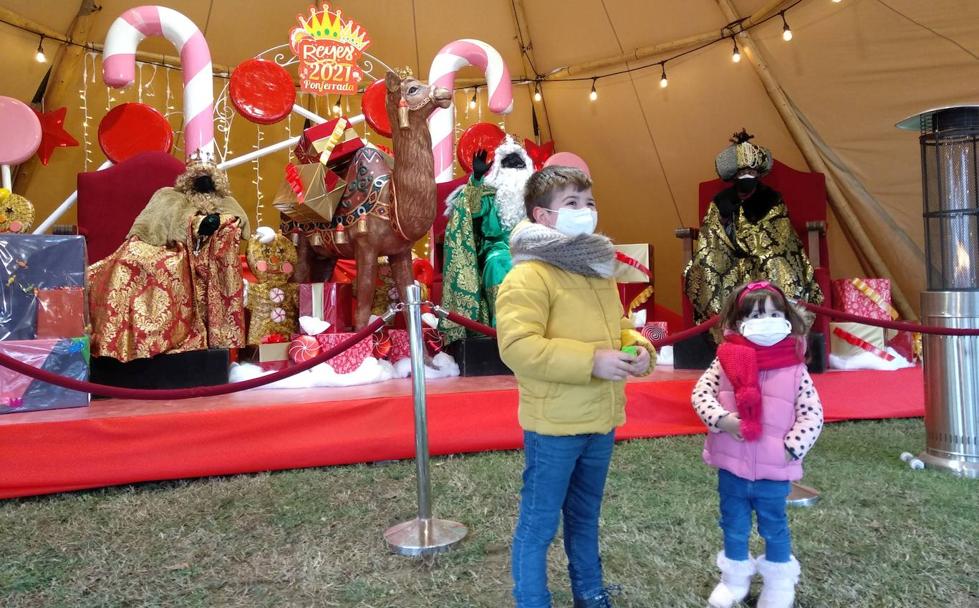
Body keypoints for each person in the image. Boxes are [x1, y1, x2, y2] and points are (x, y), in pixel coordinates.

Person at [496, 166, 656, 608]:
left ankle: (590, 592)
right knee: (538, 524)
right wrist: (591, 361)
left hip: (601, 419)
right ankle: (533, 599)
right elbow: (518, 346)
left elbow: (620, 326)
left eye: (589, 203)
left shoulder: (597, 268)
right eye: (572, 204)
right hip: (554, 427)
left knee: (585, 517)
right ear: (542, 216)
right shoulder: (528, 276)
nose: (585, 212)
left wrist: (638, 349)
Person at [691, 281, 824, 608]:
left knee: (774, 526)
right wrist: (722, 420)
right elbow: (701, 394)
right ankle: (734, 579)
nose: (767, 321)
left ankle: (779, 584)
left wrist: (789, 448)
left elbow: (812, 413)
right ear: (737, 322)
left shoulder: (794, 367)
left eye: (775, 313)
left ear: (788, 318)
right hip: (731, 465)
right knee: (733, 525)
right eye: (755, 315)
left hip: (773, 471)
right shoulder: (724, 362)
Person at [684, 130, 823, 325]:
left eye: (751, 172)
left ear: (758, 174)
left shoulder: (772, 199)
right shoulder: (720, 202)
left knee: (775, 262)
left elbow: (780, 232)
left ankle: (779, 320)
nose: (746, 177)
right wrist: (725, 233)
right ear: (734, 176)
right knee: (705, 262)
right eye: (742, 173)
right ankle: (723, 324)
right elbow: (710, 231)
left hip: (765, 252)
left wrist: (753, 247)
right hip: (728, 255)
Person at [441, 136, 534, 343]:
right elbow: (471, 210)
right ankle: (501, 327)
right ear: (499, 168)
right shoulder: (489, 194)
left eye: (517, 164)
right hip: (497, 248)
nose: (514, 169)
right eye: (508, 164)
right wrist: (476, 179)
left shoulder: (537, 196)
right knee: (498, 264)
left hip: (532, 248)